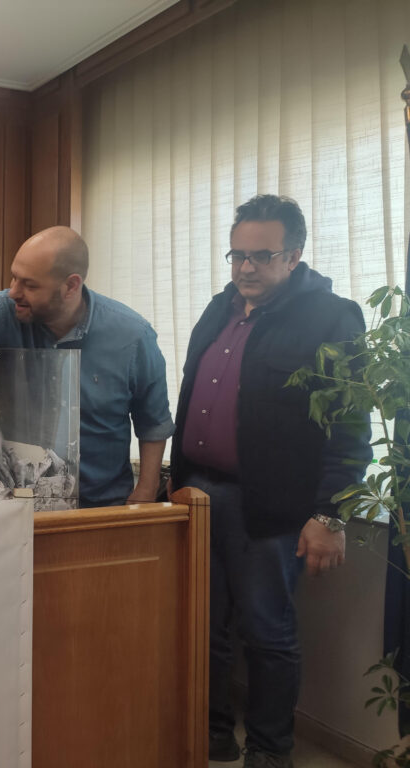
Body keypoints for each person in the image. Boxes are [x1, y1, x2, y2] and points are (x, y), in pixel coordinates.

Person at [170, 195, 371, 768]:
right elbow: (193, 393)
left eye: (262, 255)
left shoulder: (332, 318)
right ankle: (212, 732)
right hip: (199, 495)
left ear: (295, 255)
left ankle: (268, 749)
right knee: (204, 626)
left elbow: (350, 427)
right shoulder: (220, 307)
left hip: (271, 508)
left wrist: (330, 514)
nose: (246, 267)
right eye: (237, 254)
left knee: (267, 631)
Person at [0, 225, 174, 507]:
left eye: (30, 285)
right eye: (14, 277)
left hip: (99, 505)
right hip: (15, 501)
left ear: (71, 286)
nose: (13, 292)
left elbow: (153, 423)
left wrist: (145, 492)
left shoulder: (132, 336)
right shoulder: (1, 313)